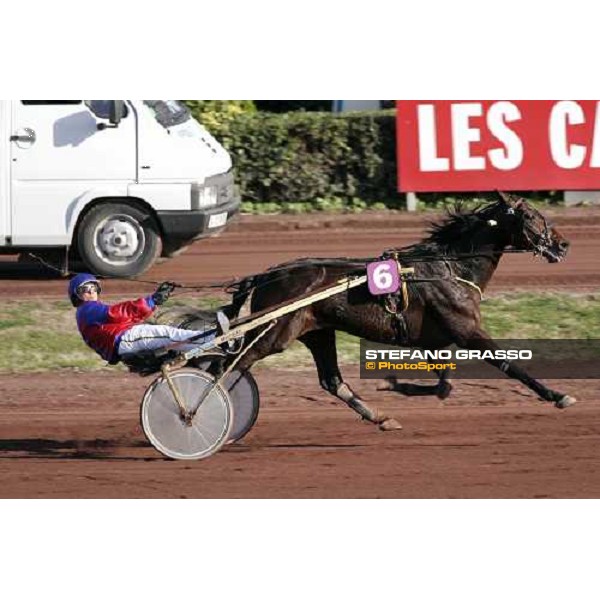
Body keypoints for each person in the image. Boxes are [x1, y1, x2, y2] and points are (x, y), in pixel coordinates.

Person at [69, 273, 229, 364]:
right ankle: (214, 341)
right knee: (167, 334)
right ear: (76, 295)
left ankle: (208, 349)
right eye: (85, 289)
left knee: (172, 339)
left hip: (122, 340)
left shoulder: (88, 312)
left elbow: (124, 318)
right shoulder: (86, 310)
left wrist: (154, 302)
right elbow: (117, 313)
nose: (91, 292)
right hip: (123, 340)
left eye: (94, 287)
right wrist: (152, 300)